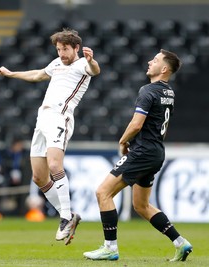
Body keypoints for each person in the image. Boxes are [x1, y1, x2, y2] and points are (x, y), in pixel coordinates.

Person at [83, 49, 193, 261]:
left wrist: (123, 141)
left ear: (164, 69)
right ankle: (181, 243)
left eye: (156, 60)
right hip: (156, 152)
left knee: (103, 193)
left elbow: (136, 124)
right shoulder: (169, 92)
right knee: (141, 206)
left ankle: (110, 247)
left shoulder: (148, 90)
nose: (150, 61)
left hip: (142, 151)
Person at [0, 28, 100, 245]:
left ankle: (64, 218)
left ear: (76, 48)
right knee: (39, 177)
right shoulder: (56, 63)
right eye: (59, 49)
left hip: (60, 118)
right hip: (42, 120)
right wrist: (11, 73)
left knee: (55, 166)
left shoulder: (82, 64)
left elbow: (95, 70)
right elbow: (37, 74)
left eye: (65, 49)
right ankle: (69, 216)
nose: (62, 53)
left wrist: (91, 60)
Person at [0, 136, 32, 216]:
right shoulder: (7, 154)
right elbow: (3, 167)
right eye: (18, 145)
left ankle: (20, 209)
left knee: (22, 190)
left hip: (21, 180)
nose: (20, 147)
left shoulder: (24, 154)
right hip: (8, 178)